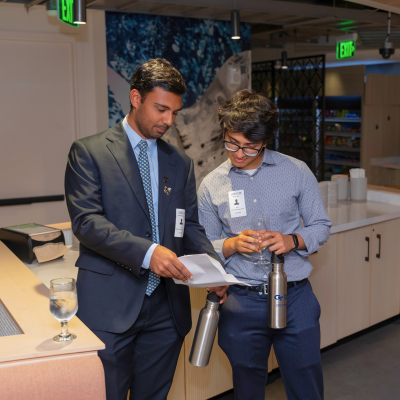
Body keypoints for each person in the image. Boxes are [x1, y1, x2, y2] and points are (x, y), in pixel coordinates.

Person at [65, 58, 224, 400]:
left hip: (167, 310)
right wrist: (149, 253)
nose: (168, 121)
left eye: (175, 113)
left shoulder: (179, 162)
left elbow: (189, 225)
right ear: (136, 98)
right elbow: (87, 223)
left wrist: (215, 270)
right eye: (161, 109)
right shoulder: (89, 152)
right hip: (111, 306)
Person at [198, 89, 332, 400]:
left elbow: (321, 226)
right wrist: (230, 244)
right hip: (240, 302)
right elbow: (203, 246)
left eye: (249, 147)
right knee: (247, 389)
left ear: (265, 141)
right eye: (231, 143)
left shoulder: (296, 171)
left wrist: (292, 240)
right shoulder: (211, 185)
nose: (239, 153)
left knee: (306, 384)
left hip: (295, 297)